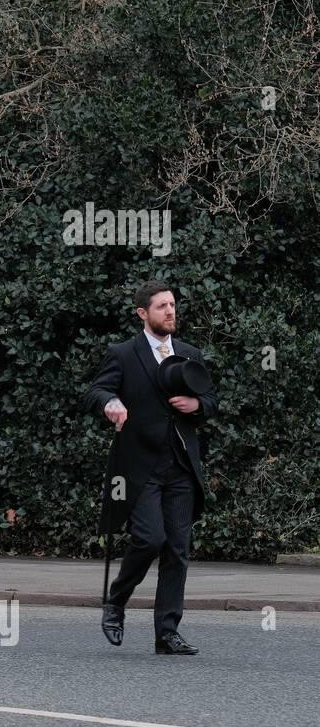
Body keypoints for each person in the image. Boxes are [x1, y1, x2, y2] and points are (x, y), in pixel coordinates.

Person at [83, 280, 218, 655]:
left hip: (181, 465)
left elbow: (210, 397)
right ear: (143, 313)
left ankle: (167, 633)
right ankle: (116, 601)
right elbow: (95, 392)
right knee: (149, 539)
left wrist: (199, 406)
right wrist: (110, 402)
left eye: (173, 304)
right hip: (139, 466)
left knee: (177, 549)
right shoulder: (123, 354)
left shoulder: (190, 353)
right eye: (162, 306)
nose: (170, 311)